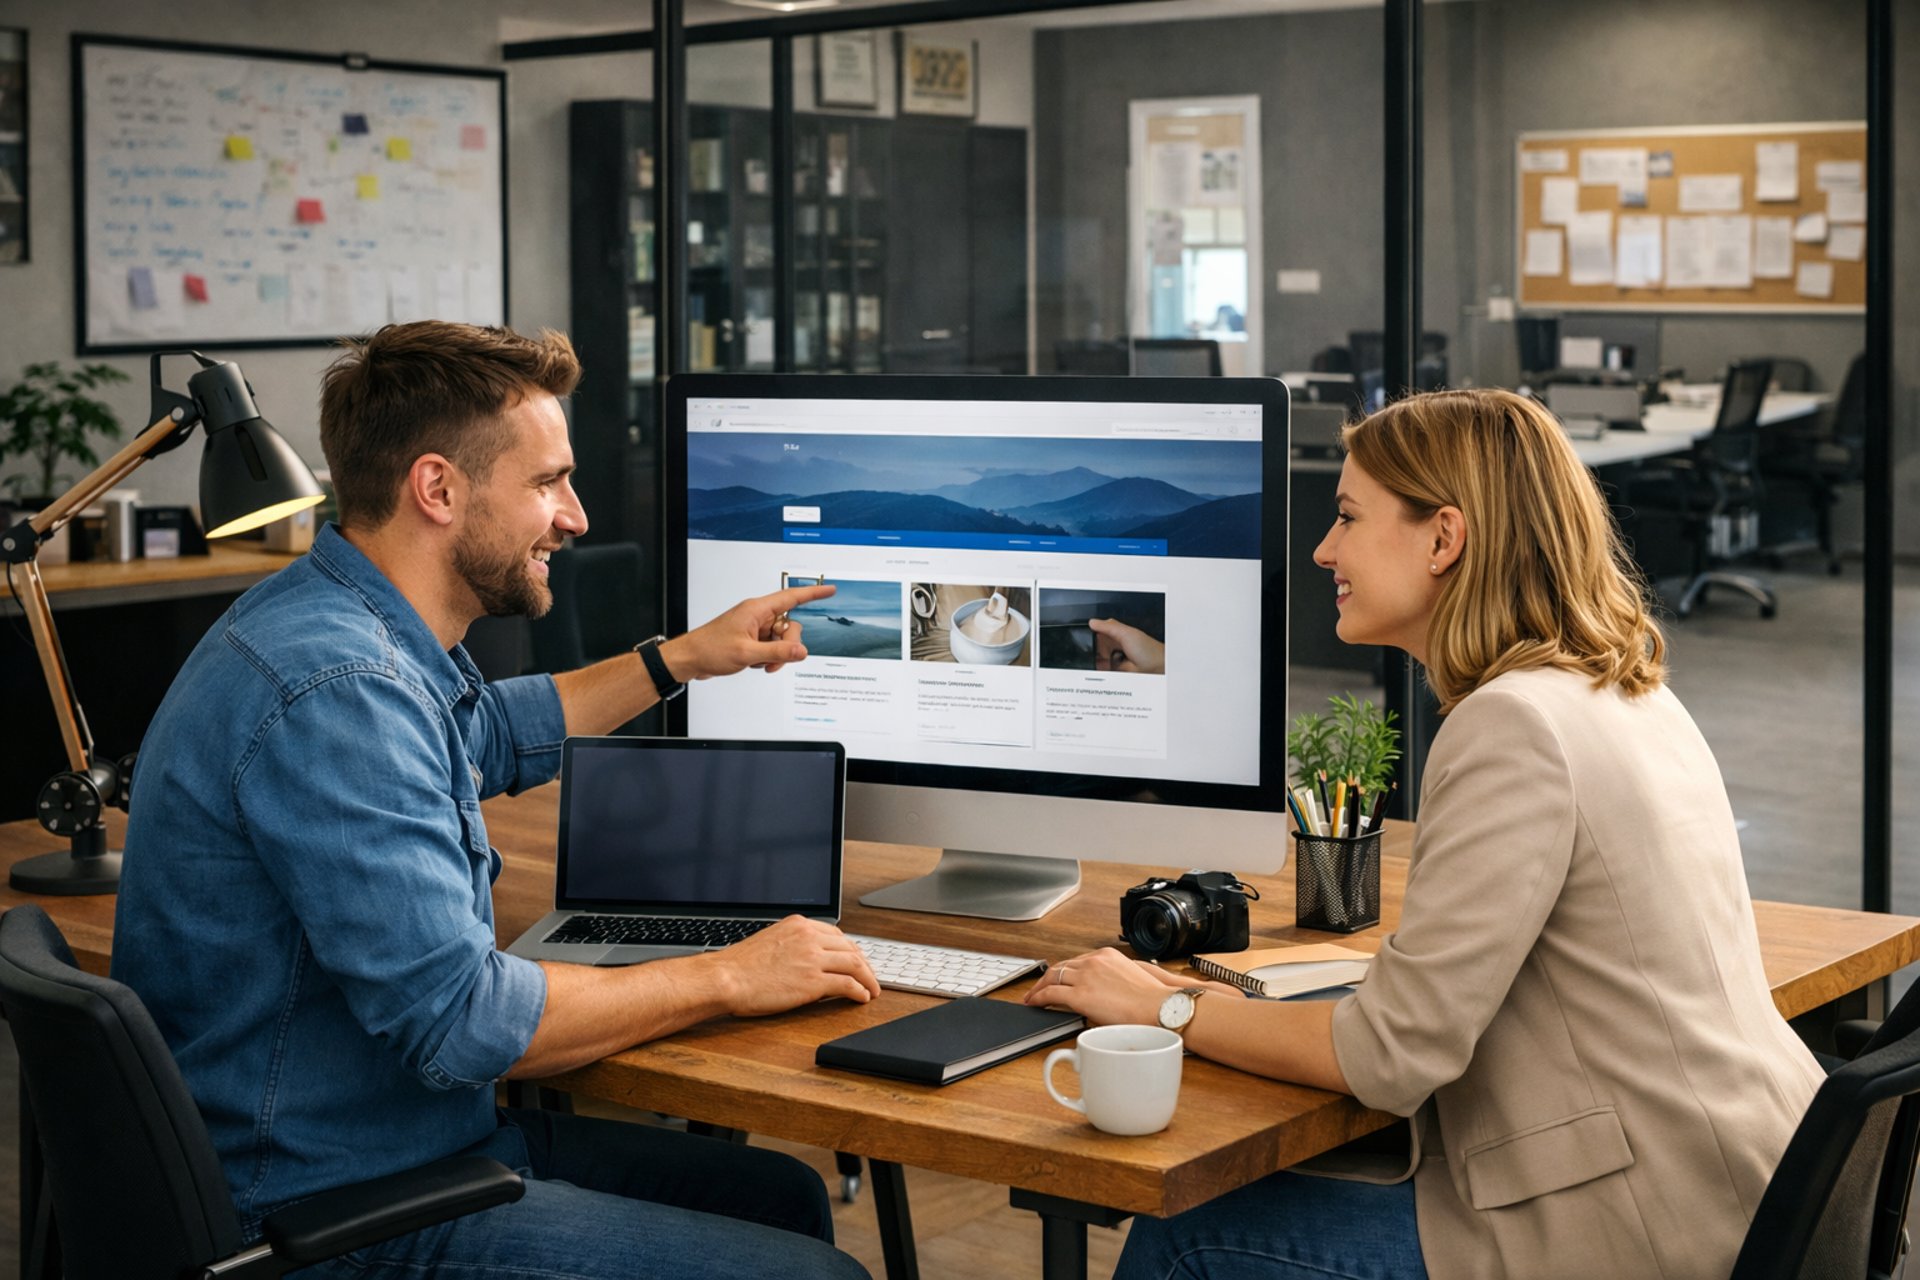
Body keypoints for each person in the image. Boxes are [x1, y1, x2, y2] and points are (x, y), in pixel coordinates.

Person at [113, 321, 877, 1280]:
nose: (577, 517)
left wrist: (680, 658)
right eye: (547, 482)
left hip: (386, 1145)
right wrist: (729, 972)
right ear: (437, 488)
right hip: (325, 1210)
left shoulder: (338, 621)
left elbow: (485, 734)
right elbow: (463, 1021)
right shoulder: (339, 686)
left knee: (781, 1195)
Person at [1027, 388, 1824, 1280]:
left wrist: (1164, 1006)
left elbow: (1391, 1056)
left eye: (1347, 517)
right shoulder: (1622, 690)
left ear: (1445, 539)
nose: (1324, 549)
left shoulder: (1512, 725)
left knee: (1188, 1238)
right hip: (1761, 1179)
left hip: (1645, 1223)